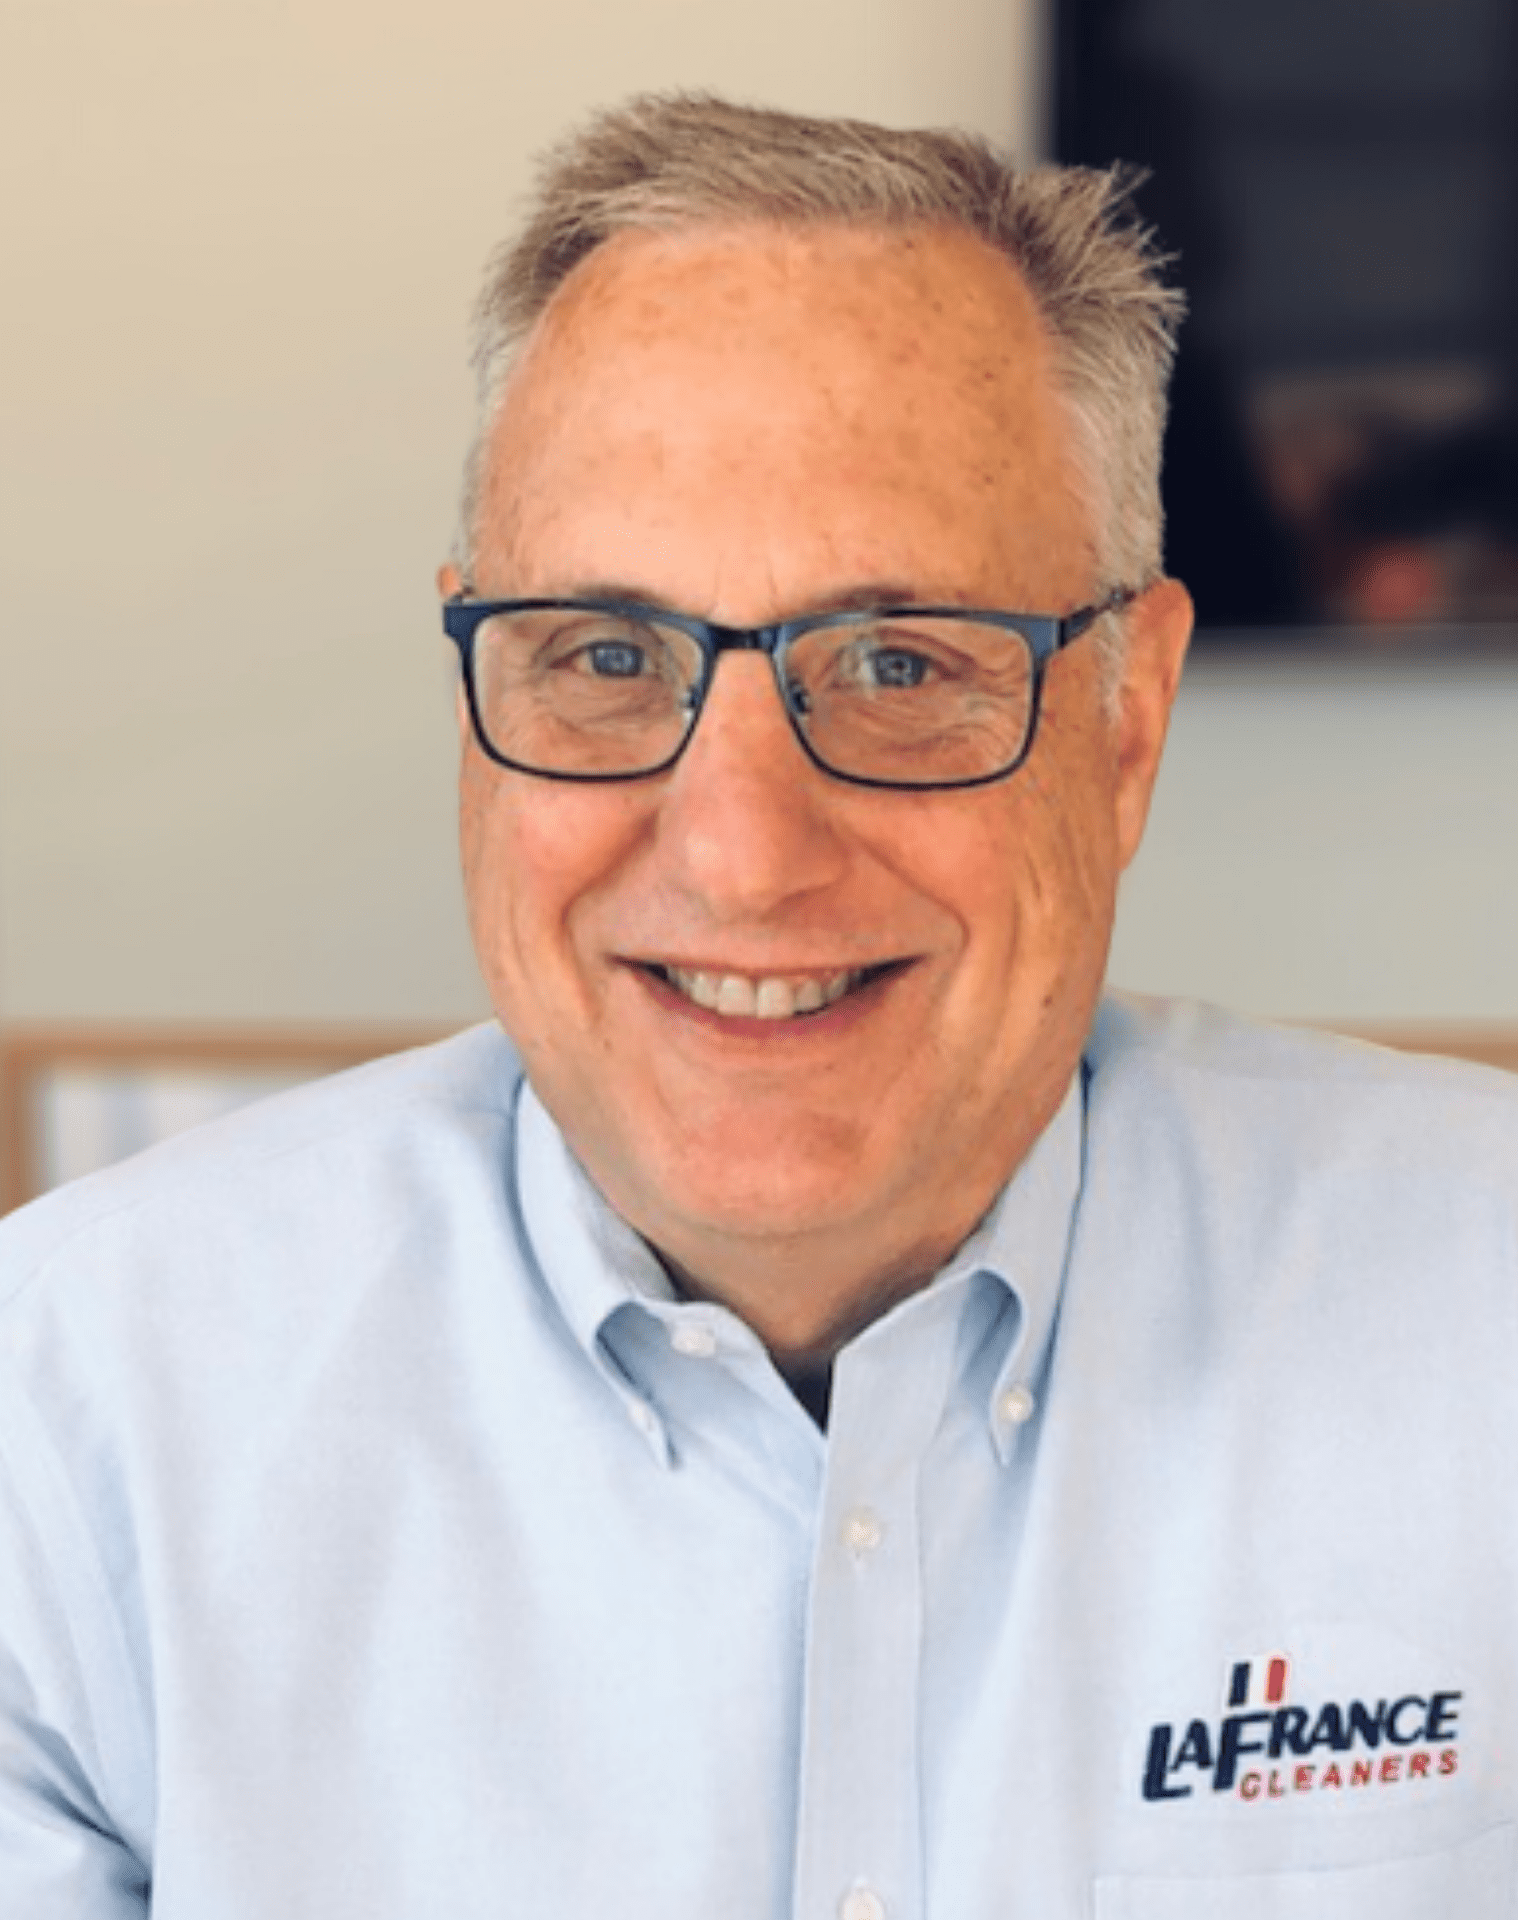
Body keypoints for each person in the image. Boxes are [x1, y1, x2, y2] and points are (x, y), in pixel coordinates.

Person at [1, 94, 1515, 1920]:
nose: (736, 855)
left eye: (896, 664)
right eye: (607, 656)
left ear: (1125, 721)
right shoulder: (67, 1426)